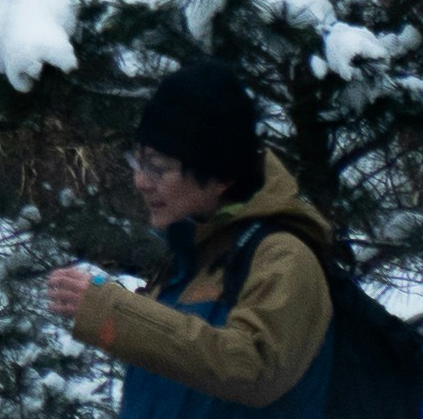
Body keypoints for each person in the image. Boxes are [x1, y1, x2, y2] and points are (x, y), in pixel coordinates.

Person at [38, 65, 334, 416]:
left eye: (158, 167)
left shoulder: (284, 256)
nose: (140, 181)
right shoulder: (188, 259)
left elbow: (254, 368)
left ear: (221, 176)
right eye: (139, 161)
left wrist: (117, 313)